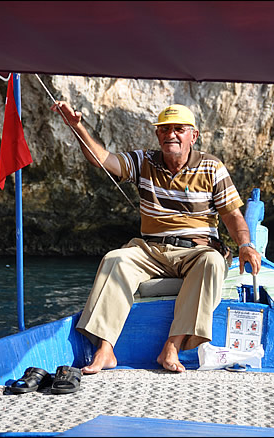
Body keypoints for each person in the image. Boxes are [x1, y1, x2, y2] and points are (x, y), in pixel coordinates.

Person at [51, 102, 261, 374]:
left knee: (211, 262)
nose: (170, 135)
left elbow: (233, 216)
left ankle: (171, 346)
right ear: (157, 134)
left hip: (197, 250)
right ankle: (105, 349)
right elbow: (103, 159)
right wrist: (76, 126)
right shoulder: (144, 161)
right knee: (115, 260)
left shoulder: (212, 167)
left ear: (193, 136)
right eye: (164, 129)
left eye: (179, 129)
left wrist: (245, 245)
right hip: (150, 249)